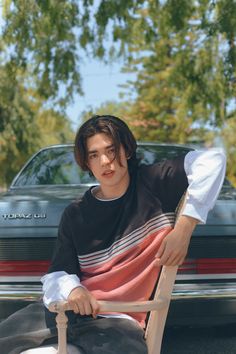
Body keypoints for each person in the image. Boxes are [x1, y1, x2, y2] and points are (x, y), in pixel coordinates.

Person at [0, 115, 226, 354]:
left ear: (126, 149)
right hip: (67, 309)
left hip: (119, 320)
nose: (105, 161)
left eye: (111, 150)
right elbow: (58, 272)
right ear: (87, 162)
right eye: (94, 155)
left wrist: (184, 228)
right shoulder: (76, 214)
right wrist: (74, 290)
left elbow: (214, 160)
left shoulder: (153, 183)